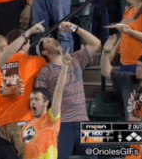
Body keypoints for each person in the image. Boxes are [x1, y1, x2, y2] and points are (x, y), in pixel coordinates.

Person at [34, 21, 101, 159]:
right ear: (44, 52)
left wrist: (75, 28)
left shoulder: (75, 59)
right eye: (47, 40)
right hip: (62, 123)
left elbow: (96, 43)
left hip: (84, 120)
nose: (52, 39)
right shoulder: (45, 72)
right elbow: (40, 101)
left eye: (51, 38)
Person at [0, 28, 47, 156]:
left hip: (1, 123)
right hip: (22, 120)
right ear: (26, 44)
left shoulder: (0, 63)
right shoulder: (35, 61)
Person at [100, 34, 142, 122]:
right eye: (138, 66)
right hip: (129, 127)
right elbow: (106, 72)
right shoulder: (127, 79)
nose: (138, 70)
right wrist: (105, 53)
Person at [20, 47, 70, 159]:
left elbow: (58, 91)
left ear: (46, 102)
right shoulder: (27, 127)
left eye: (37, 99)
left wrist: (65, 66)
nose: (33, 102)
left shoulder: (51, 118)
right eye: (31, 99)